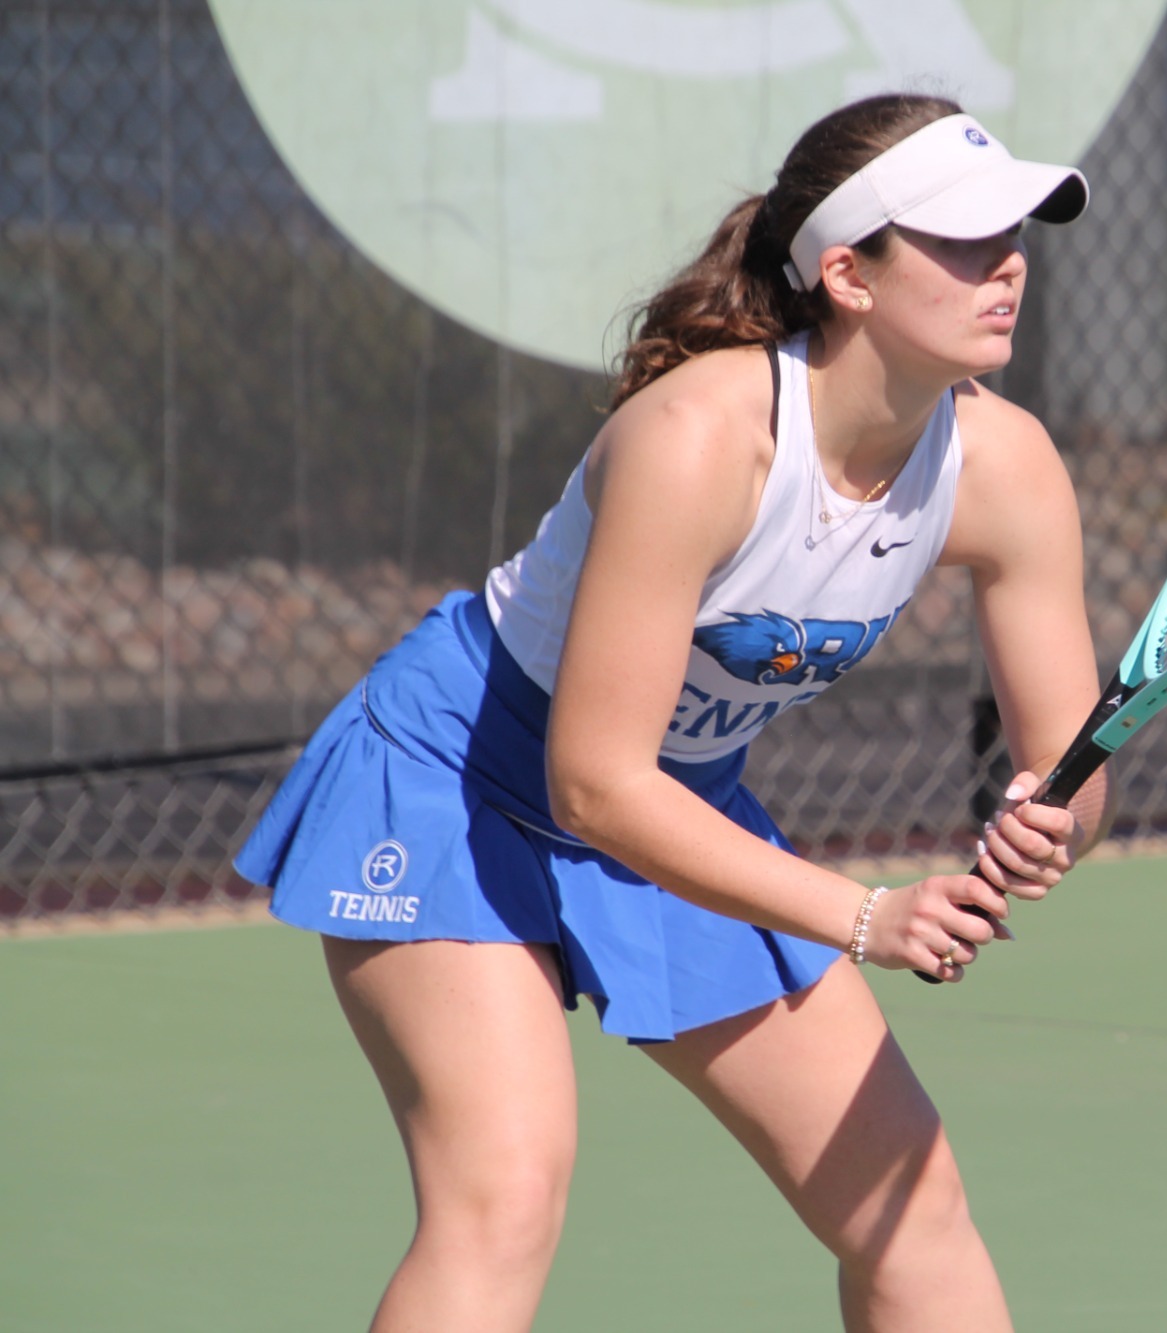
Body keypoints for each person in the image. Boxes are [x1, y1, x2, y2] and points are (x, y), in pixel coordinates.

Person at [233, 92, 1111, 1333]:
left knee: (910, 1211)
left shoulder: (1007, 470)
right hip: (460, 776)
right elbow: (591, 783)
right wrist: (867, 916)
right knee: (503, 1194)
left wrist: (1050, 819)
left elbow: (1072, 766)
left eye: (1014, 232)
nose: (1007, 262)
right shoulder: (699, 437)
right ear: (849, 275)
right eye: (963, 239)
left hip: (677, 806)